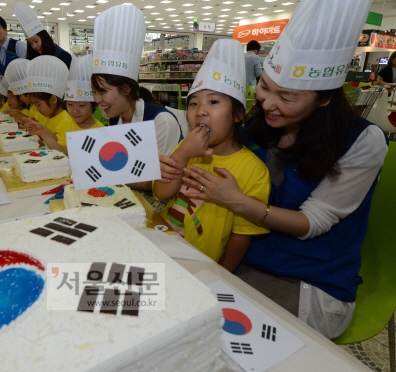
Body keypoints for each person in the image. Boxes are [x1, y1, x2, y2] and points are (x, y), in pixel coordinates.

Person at [165, 0, 386, 339]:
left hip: (309, 280)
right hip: (243, 260)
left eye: (287, 96)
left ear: (324, 97)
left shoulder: (361, 141)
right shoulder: (260, 127)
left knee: (199, 330)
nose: (268, 103)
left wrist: (238, 202)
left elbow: (313, 223)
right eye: (265, 87)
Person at [154, 39, 270, 272]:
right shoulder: (187, 151)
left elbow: (241, 236)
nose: (201, 111)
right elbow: (161, 193)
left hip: (198, 266)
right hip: (160, 247)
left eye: (213, 102)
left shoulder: (254, 171)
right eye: (193, 104)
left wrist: (223, 276)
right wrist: (183, 152)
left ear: (238, 114)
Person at [91, 5, 182, 191]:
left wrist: (101, 174)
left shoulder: (161, 122)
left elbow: (159, 183)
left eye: (103, 92)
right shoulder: (115, 117)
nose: (97, 100)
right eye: (94, 92)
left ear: (125, 89)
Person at [28, 55, 103, 154]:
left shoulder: (101, 131)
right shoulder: (66, 125)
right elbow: (63, 151)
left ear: (95, 105)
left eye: (81, 105)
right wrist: (43, 133)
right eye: (70, 104)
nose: (75, 111)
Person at [23, 56, 77, 150]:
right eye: (35, 105)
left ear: (53, 100)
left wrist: (43, 131)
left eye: (38, 105)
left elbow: (61, 146)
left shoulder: (66, 121)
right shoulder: (47, 117)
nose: (37, 109)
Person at [13, 2, 72, 69]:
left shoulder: (62, 56)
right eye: (31, 43)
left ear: (44, 37)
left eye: (36, 41)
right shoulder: (34, 58)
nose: (34, 46)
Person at [0, 15, 27, 87]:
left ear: (5, 30)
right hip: (8, 95)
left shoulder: (18, 45)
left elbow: (29, 70)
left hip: (23, 92)